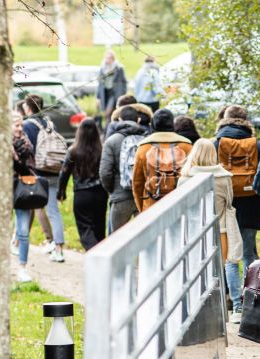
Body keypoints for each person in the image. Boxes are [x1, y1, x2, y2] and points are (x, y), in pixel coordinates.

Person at [178, 139, 244, 320]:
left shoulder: (185, 179)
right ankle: (231, 308)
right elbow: (229, 202)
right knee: (224, 268)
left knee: (196, 270)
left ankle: (199, 309)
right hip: (220, 230)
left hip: (194, 233)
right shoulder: (224, 178)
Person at [213, 105, 260, 272]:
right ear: (246, 120)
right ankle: (253, 294)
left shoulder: (216, 144)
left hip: (225, 203)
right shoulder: (257, 145)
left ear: (224, 119)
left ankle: (232, 295)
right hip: (251, 203)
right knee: (249, 251)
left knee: (228, 253)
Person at [20, 95, 66, 263]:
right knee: (54, 212)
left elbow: (27, 150)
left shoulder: (27, 125)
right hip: (53, 169)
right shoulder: (49, 123)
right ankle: (59, 249)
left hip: (38, 171)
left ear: (28, 108)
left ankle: (20, 241)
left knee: (28, 207)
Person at [58, 118, 107, 250]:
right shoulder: (102, 150)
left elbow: (64, 173)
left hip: (82, 194)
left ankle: (95, 255)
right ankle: (102, 255)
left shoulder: (73, 151)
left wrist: (61, 192)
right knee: (99, 227)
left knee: (85, 228)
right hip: (100, 193)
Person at [131, 108, 193, 212]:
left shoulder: (143, 148)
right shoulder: (186, 146)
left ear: (153, 124)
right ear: (172, 124)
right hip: (180, 206)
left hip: (152, 207)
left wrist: (142, 209)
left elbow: (137, 184)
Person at [100, 105, 149, 233]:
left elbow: (105, 172)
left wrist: (113, 190)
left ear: (120, 120)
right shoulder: (146, 141)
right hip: (141, 196)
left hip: (120, 196)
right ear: (138, 120)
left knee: (116, 240)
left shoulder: (111, 141)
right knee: (143, 238)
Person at [11, 113, 38, 284]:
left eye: (21, 125)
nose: (20, 129)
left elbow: (28, 167)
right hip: (3, 189)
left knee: (23, 230)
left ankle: (22, 267)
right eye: (16, 125)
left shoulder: (26, 144)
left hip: (22, 187)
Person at [96, 50, 128, 123]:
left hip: (114, 93)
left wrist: (122, 93)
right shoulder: (102, 68)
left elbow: (124, 82)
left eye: (110, 58)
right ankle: (110, 127)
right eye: (106, 58)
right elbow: (100, 83)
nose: (108, 60)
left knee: (108, 112)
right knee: (108, 114)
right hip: (105, 93)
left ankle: (108, 129)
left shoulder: (119, 68)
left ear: (113, 59)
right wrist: (97, 97)